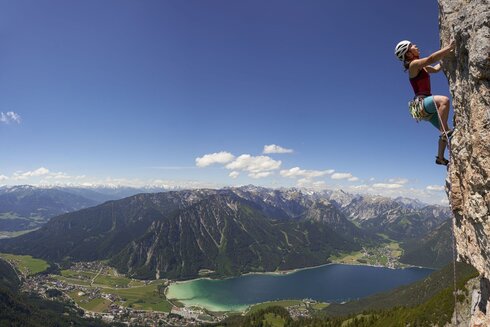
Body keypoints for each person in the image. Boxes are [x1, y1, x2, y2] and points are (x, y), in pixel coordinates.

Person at [394, 40, 455, 165]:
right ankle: (444, 133)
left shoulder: (422, 67)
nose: (416, 45)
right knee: (444, 100)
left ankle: (440, 158)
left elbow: (437, 68)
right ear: (409, 54)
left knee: (449, 134)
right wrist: (449, 47)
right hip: (422, 104)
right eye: (412, 46)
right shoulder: (414, 65)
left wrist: (446, 58)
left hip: (426, 110)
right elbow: (431, 58)